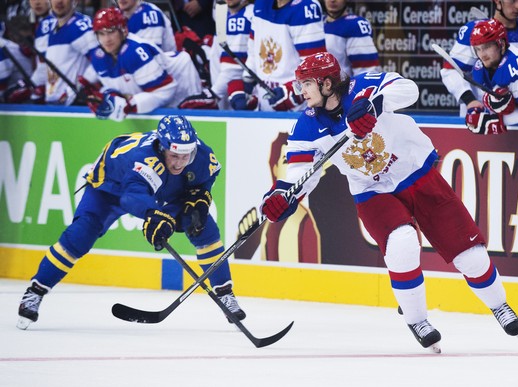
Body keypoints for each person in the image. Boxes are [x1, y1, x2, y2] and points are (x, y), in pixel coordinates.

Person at [260, 52, 518, 352]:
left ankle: (499, 305)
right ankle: (417, 320)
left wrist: (374, 105)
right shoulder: (306, 126)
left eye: (306, 84)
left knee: (469, 254)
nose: (301, 91)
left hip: (416, 172)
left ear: (327, 84)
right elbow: (300, 172)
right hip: (372, 191)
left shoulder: (364, 86)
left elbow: (409, 89)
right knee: (402, 245)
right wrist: (283, 196)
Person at [17, 114, 246, 330]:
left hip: (160, 186)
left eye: (186, 156)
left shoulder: (202, 156)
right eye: (175, 156)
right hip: (111, 186)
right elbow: (131, 197)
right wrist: (154, 215)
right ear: (162, 147)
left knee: (201, 224)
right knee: (81, 234)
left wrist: (198, 199)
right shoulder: (142, 159)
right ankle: (36, 291)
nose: (180, 163)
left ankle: (225, 294)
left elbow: (201, 184)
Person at [81, 7, 209, 122]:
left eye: (111, 32)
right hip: (155, 90)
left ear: (123, 31)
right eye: (101, 34)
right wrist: (108, 97)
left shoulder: (134, 51)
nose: (107, 39)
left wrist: (128, 105)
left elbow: (165, 90)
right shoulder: (98, 56)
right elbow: (120, 88)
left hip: (182, 83)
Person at [236, 132, 321, 262]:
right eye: (286, 160)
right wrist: (242, 253)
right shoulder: (269, 223)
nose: (292, 165)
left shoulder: (302, 221)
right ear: (275, 167)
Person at [244, 0, 326, 112]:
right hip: (263, 106)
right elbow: (254, 49)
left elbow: (317, 68)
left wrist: (293, 93)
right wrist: (246, 82)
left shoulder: (305, 7)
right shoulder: (261, 4)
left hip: (298, 110)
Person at [44, 0, 99, 105]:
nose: (59, 2)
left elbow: (102, 60)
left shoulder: (81, 26)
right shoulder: (53, 29)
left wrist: (81, 86)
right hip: (53, 102)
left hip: (73, 103)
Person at [209, 0, 257, 111]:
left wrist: (215, 92)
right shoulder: (221, 13)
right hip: (222, 86)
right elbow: (216, 55)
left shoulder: (252, 14)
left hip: (246, 85)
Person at [323, 0, 379, 77]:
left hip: (342, 87)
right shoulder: (315, 24)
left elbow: (367, 71)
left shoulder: (355, 25)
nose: (332, 0)